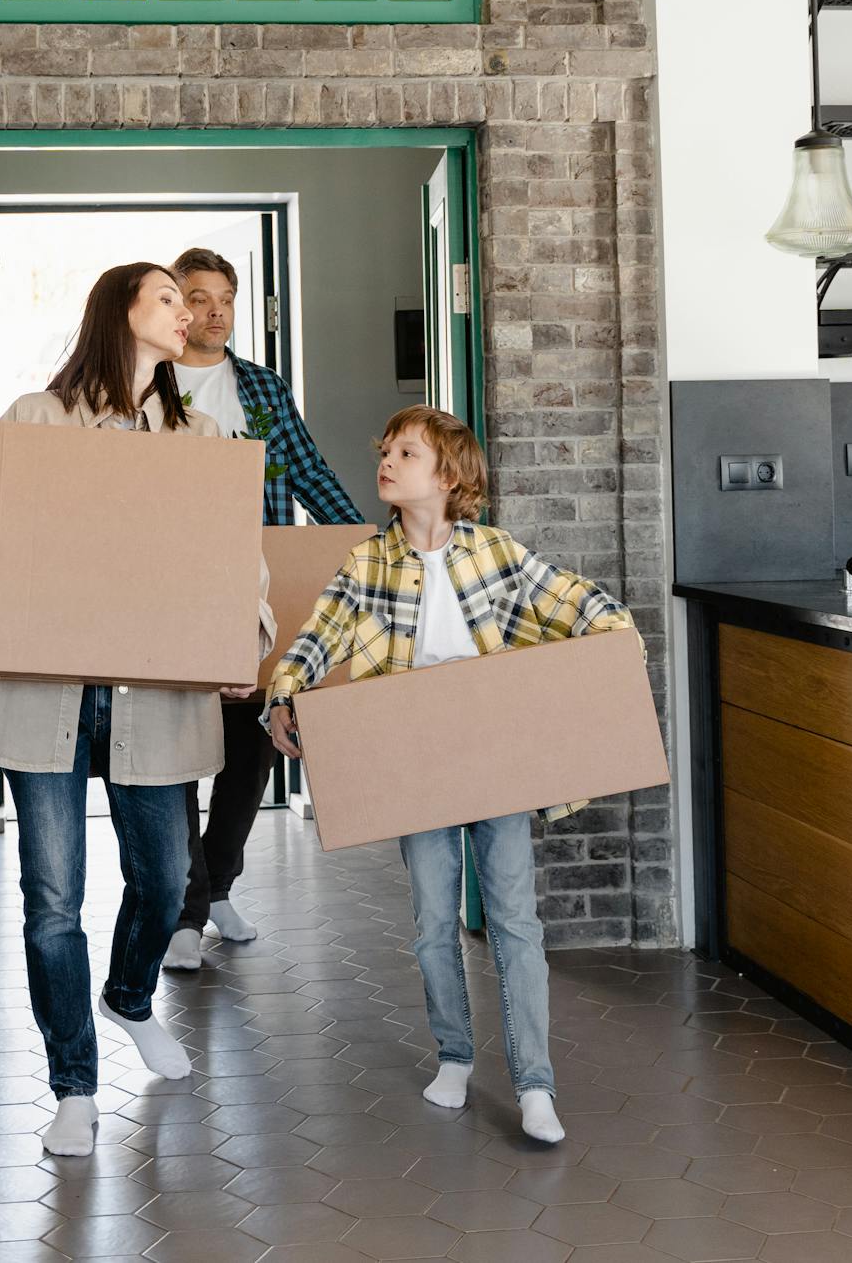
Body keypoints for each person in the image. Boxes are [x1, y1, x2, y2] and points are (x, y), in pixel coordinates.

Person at [0, 262, 273, 1160]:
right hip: (47, 698)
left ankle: (129, 995)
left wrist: (244, 633)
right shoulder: (36, 419)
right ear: (121, 310)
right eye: (167, 295)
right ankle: (73, 1082)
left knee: (161, 880)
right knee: (52, 900)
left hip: (150, 695)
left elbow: (237, 551)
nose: (186, 309)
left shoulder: (194, 434)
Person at [263, 406, 635, 1146]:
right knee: (435, 921)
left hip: (494, 750)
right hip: (414, 758)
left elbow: (569, 597)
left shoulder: (493, 551)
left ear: (449, 474)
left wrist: (619, 641)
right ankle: (456, 1056)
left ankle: (535, 1084)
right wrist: (282, 692)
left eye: (406, 451)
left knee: (514, 921)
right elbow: (318, 634)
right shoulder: (368, 562)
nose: (388, 461)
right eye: (387, 449)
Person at [163, 245, 365, 974]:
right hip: (172, 593)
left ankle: (216, 886)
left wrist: (367, 542)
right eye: (198, 297)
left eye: (225, 298)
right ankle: (184, 911)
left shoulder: (262, 389)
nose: (214, 311)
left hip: (258, 595)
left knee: (250, 753)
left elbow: (308, 470)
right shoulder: (144, 386)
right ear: (176, 304)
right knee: (176, 752)